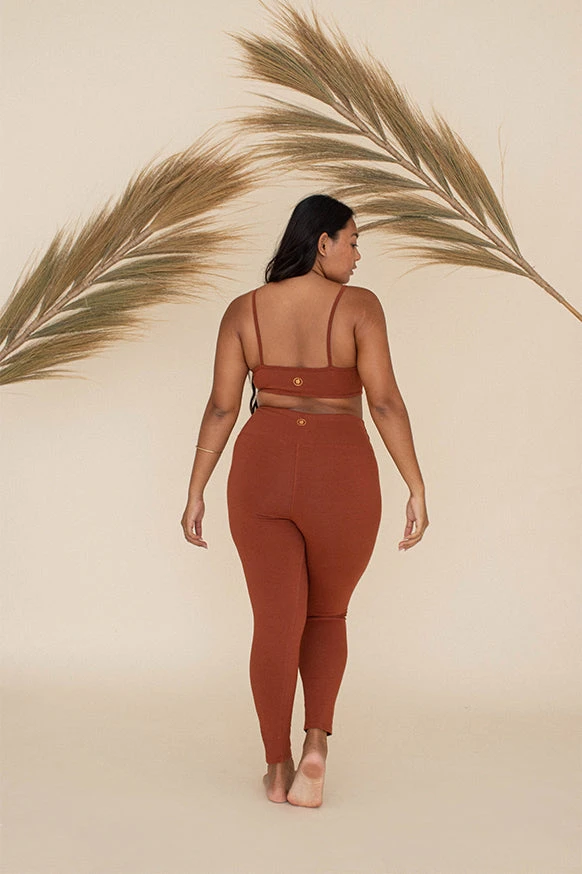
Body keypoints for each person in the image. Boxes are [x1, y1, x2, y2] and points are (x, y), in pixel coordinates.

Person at [181, 194, 429, 808]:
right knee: (326, 616)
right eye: (353, 240)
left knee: (274, 622)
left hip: (259, 469)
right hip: (339, 472)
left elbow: (222, 407)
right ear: (322, 243)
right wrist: (415, 484)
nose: (358, 254)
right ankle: (316, 744)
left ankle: (275, 767)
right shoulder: (359, 307)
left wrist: (196, 489)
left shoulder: (243, 310)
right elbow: (385, 402)